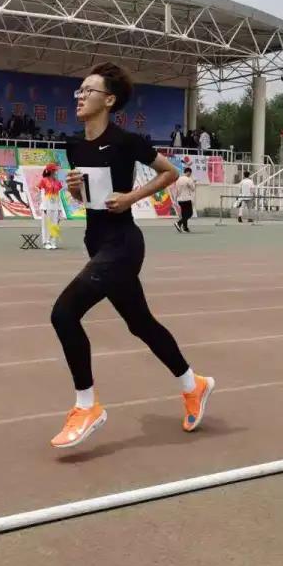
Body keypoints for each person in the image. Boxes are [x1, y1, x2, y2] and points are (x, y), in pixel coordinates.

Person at [50, 62, 213, 449]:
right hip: (96, 240)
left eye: (88, 91)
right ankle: (193, 384)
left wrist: (131, 197)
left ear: (108, 100)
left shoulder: (126, 141)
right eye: (78, 91)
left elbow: (169, 172)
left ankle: (86, 406)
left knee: (64, 313)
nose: (80, 97)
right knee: (140, 323)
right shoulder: (74, 145)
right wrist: (74, 191)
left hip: (123, 244)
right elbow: (88, 199)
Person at [37, 164, 64, 249]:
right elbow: (41, 194)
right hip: (46, 204)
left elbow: (59, 195)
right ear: (50, 171)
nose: (56, 172)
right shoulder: (43, 180)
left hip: (55, 204)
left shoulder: (57, 182)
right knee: (46, 224)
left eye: (56, 170)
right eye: (54, 170)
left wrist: (60, 208)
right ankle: (46, 242)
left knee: (55, 224)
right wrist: (44, 206)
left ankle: (53, 241)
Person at [175, 165, 196, 233]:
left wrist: (176, 199)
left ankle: (185, 228)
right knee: (189, 213)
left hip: (179, 199)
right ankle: (179, 223)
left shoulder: (178, 179)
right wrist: (193, 182)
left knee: (184, 214)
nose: (190, 174)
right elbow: (193, 188)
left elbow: (176, 190)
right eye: (190, 173)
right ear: (189, 172)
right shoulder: (188, 179)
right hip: (186, 199)